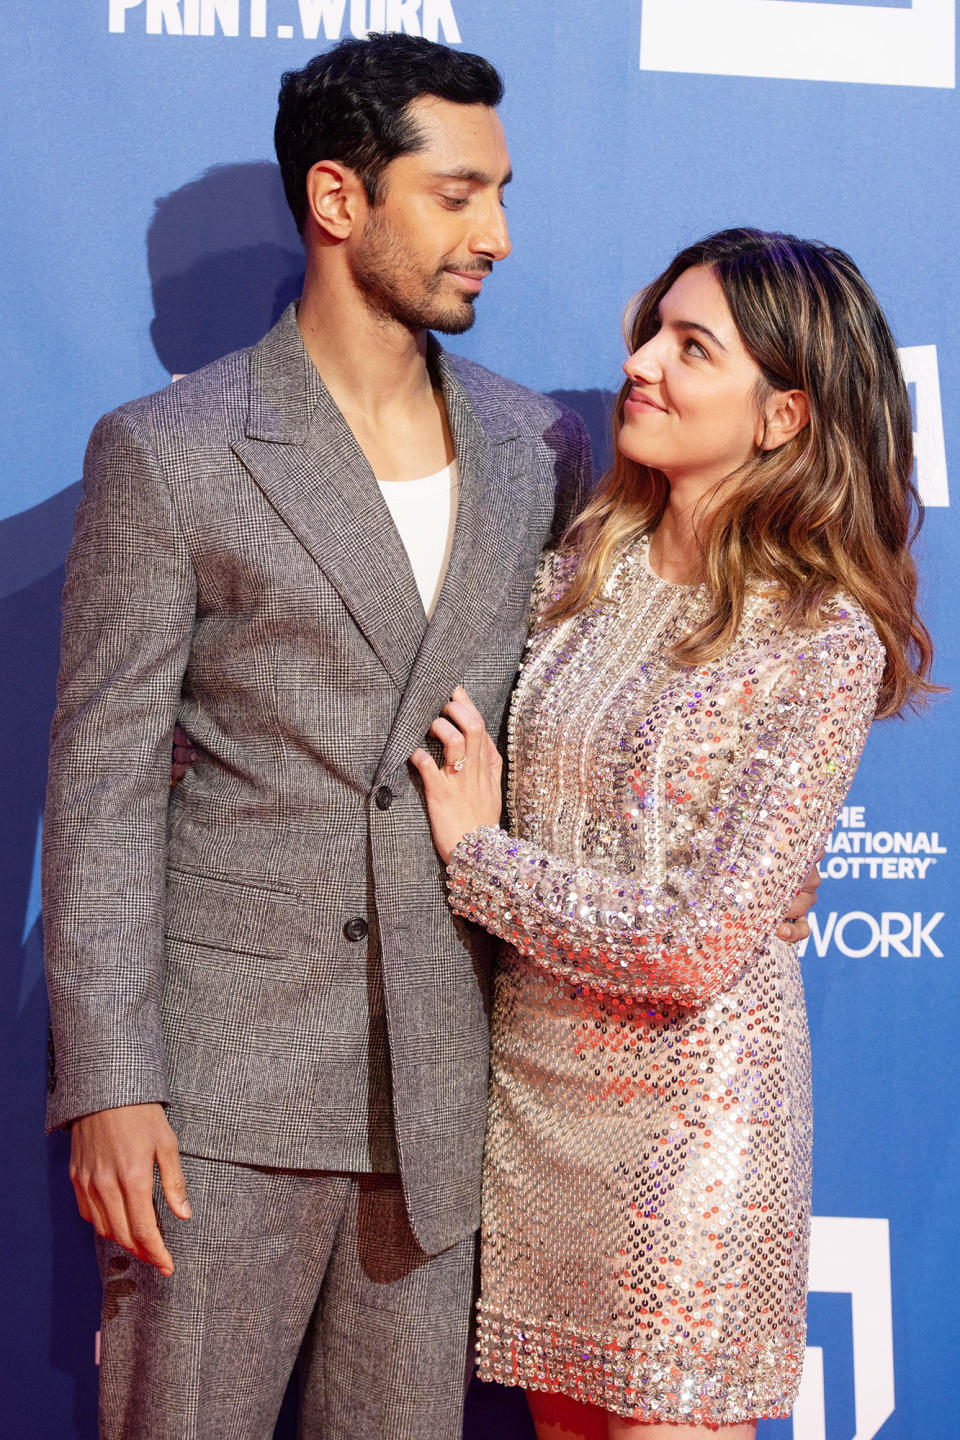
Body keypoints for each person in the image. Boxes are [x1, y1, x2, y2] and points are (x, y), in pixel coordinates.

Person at [43, 32, 818, 1436]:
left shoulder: (544, 452)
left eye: (503, 195)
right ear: (341, 201)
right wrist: (109, 1083)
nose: (500, 237)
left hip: (451, 1110)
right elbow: (97, 794)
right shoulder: (170, 451)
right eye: (459, 196)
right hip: (219, 1098)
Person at [412, 228, 936, 1439]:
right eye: (651, 330)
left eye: (691, 347)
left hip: (692, 1129)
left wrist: (480, 858)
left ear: (783, 418)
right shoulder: (586, 565)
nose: (642, 363)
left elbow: (696, 944)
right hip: (536, 1108)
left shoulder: (820, 633)